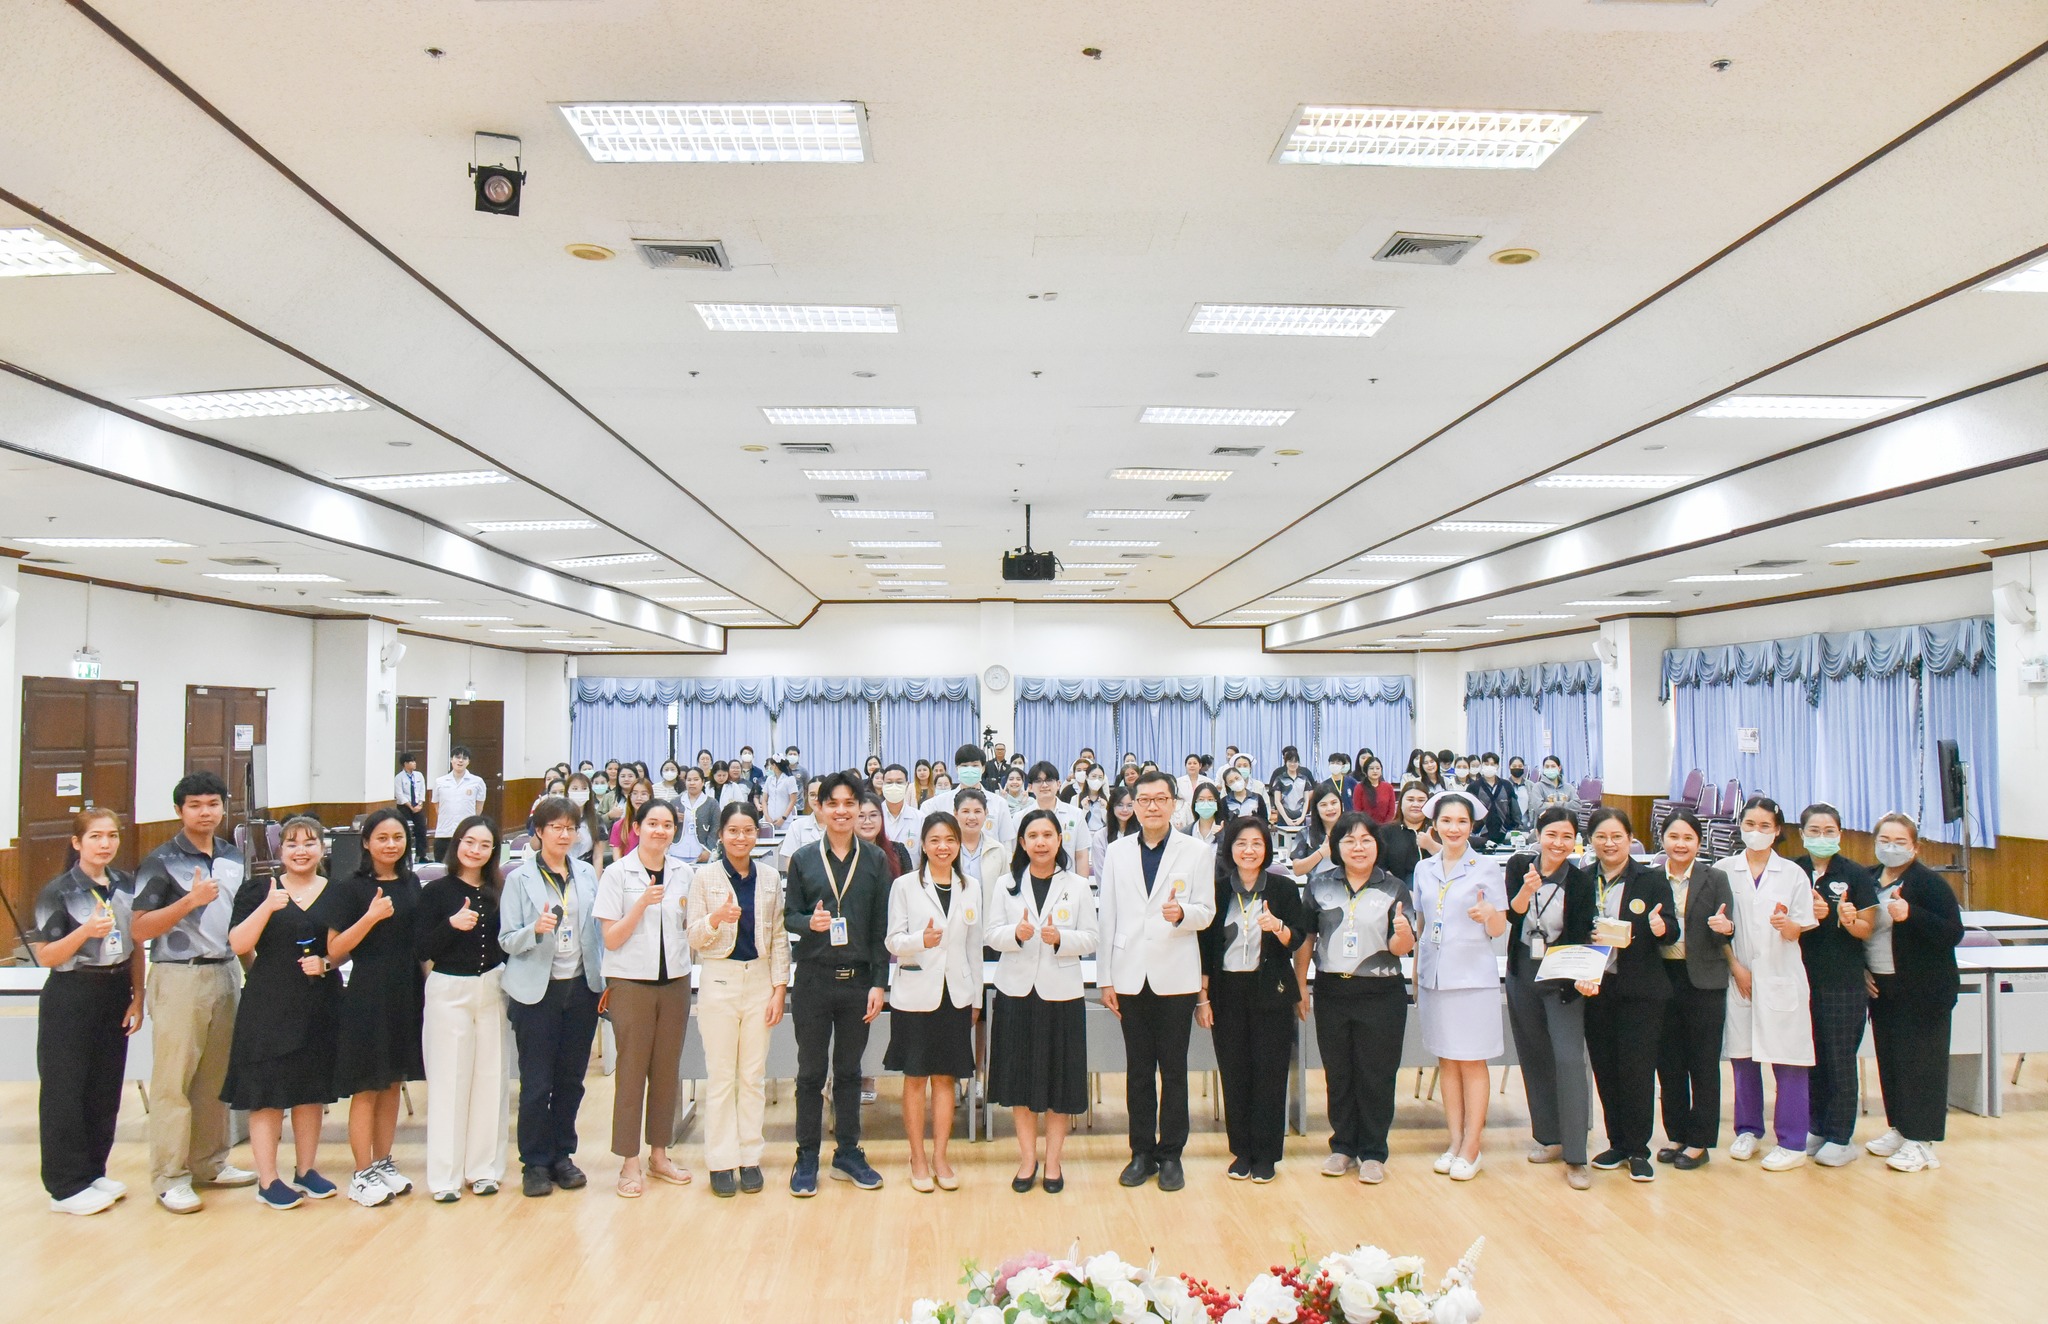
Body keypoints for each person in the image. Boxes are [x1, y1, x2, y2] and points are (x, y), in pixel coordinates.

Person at [128, 771, 257, 1212]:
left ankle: (209, 1162)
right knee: (174, 1081)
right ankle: (169, 1176)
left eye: (213, 804)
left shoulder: (233, 856)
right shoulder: (161, 860)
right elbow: (139, 928)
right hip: (179, 976)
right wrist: (189, 901)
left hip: (226, 971)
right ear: (179, 811)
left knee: (216, 1079)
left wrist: (253, 972)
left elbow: (239, 921)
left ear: (223, 807)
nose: (206, 812)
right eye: (196, 805)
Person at [1097, 769, 1216, 1192]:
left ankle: (1171, 1155)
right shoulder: (1117, 851)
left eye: (1160, 799)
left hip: (1175, 975)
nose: (1151, 807)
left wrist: (1183, 914)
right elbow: (1108, 915)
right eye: (1143, 800)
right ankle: (1141, 1152)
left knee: (1175, 1070)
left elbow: (1207, 912)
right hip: (1130, 975)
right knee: (1138, 1071)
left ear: (1173, 804)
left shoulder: (1196, 851)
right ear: (1133, 805)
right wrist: (1105, 978)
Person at [220, 817, 342, 1211]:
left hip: (319, 999)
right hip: (269, 1001)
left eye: (309, 843)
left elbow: (343, 946)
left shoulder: (336, 892)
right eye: (292, 844)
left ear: (322, 848)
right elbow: (238, 943)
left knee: (311, 1089)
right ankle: (268, 1179)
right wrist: (267, 907)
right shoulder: (259, 889)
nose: (301, 851)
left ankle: (306, 1170)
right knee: (267, 1092)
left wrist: (326, 963)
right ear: (280, 849)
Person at [782, 771, 891, 1196]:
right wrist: (808, 923)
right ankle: (807, 1155)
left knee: (849, 1072)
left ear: (860, 809)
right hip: (813, 979)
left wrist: (879, 983)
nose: (842, 811)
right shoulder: (804, 858)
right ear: (820, 808)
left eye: (850, 804)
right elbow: (789, 916)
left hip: (858, 982)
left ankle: (847, 1153)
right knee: (810, 1073)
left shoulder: (875, 860)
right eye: (834, 804)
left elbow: (881, 927)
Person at [31, 808, 144, 1215]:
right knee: (66, 1089)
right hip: (72, 992)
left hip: (115, 990)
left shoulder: (126, 885)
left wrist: (138, 995)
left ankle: (94, 1171)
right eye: (96, 836)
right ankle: (64, 1186)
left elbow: (135, 944)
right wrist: (85, 931)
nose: (105, 844)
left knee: (104, 1088)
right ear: (77, 842)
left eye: (112, 835)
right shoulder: (58, 891)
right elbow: (46, 956)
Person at [499, 796, 606, 1198]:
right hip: (536, 992)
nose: (564, 835)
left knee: (571, 1080)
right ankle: (534, 1162)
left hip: (580, 987)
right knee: (536, 1082)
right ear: (539, 832)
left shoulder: (586, 873)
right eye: (556, 828)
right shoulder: (518, 878)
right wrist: (535, 930)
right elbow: (507, 940)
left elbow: (597, 931)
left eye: (570, 828)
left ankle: (563, 1154)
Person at [987, 807, 1098, 1193]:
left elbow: (1092, 938)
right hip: (1016, 992)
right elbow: (991, 934)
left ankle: (1053, 1163)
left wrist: (1062, 939)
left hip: (1061, 994)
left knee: (1059, 1083)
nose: (1040, 842)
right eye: (1032, 836)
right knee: (1019, 1082)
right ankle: (1027, 1160)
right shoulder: (1005, 884)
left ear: (1059, 840)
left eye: (1047, 835)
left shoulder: (1077, 885)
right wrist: (1014, 935)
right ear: (1021, 842)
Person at [320, 808, 425, 1207]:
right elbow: (335, 950)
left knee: (393, 1081)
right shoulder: (350, 888)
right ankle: (361, 1172)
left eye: (398, 837)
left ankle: (383, 1162)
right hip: (368, 992)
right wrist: (370, 917)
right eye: (382, 838)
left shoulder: (412, 882)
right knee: (367, 1085)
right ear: (366, 842)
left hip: (407, 990)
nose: (391, 845)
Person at [1301, 813, 1412, 1184]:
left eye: (1366, 840)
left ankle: (1374, 1152)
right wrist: (1300, 985)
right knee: (1339, 1072)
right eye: (1349, 840)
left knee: (1376, 1074)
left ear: (1377, 845)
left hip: (1381, 993)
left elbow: (1401, 947)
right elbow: (1307, 939)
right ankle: (1343, 1146)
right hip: (1332, 989)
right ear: (1337, 847)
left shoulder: (1394, 887)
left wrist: (1403, 934)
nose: (1358, 847)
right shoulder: (1319, 885)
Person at [1198, 817, 1307, 1182]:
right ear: (1230, 849)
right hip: (1226, 992)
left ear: (1266, 849)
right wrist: (1203, 999)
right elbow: (1205, 948)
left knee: (1270, 1074)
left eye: (1257, 843)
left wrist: (1278, 927)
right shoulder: (1216, 891)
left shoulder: (1282, 887)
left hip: (1271, 992)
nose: (1249, 850)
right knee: (1235, 1073)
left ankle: (1266, 1155)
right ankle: (1242, 1151)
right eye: (1241, 843)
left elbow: (1298, 938)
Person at [689, 803, 790, 1196]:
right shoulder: (705, 877)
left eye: (748, 830)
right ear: (721, 834)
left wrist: (779, 988)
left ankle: (749, 1157)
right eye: (733, 830)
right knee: (720, 1077)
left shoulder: (769, 877)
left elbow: (778, 936)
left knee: (752, 1076)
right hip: (719, 979)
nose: (741, 837)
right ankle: (720, 1160)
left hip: (760, 980)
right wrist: (716, 919)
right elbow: (694, 936)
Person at [595, 798, 694, 1198]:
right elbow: (610, 938)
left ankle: (659, 1155)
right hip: (630, 982)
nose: (660, 831)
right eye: (652, 823)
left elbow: (690, 927)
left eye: (667, 824)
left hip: (675, 981)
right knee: (632, 1071)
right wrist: (640, 905)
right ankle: (629, 1161)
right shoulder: (617, 873)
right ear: (637, 827)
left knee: (667, 1071)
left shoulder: (685, 873)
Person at [883, 814, 982, 1192]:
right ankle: (918, 1157)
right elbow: (893, 940)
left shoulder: (971, 886)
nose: (943, 847)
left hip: (955, 994)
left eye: (950, 840)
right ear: (923, 845)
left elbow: (973, 946)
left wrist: (975, 996)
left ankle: (941, 1156)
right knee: (915, 1078)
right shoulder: (905, 886)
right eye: (936, 840)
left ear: (958, 845)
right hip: (915, 994)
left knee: (945, 1077)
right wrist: (919, 941)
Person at [1410, 791, 1506, 1182]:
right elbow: (1421, 923)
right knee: (1447, 1060)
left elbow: (1499, 928)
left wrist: (1489, 914)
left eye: (1462, 822)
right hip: (1434, 975)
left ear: (1472, 826)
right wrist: (1416, 972)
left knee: (1472, 1060)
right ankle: (1454, 1141)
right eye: (1447, 821)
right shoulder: (1424, 868)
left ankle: (1472, 1146)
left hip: (1472, 978)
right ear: (1434, 824)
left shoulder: (1486, 867)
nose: (1454, 828)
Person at [414, 814, 509, 1203]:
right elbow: (422, 948)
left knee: (491, 1079)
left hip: (492, 988)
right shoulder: (436, 892)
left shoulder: (498, 890)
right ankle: (445, 1177)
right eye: (470, 842)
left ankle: (484, 1170)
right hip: (449, 989)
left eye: (485, 845)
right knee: (449, 1081)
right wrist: (452, 925)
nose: (476, 850)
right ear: (457, 844)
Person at [1719, 795, 1817, 1171]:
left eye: (1764, 826)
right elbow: (1719, 929)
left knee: (1788, 1060)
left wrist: (1787, 926)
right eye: (1750, 824)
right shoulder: (1724, 870)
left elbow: (1799, 928)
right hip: (1740, 975)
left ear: (1777, 831)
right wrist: (1736, 968)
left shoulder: (1792, 874)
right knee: (1743, 1058)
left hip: (1781, 977)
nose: (1756, 832)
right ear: (1740, 827)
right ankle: (1748, 1130)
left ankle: (1792, 1142)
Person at [1862, 813, 1962, 1173]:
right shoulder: (1867, 879)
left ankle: (1922, 1141)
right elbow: (1861, 930)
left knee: (1922, 1064)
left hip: (1924, 990)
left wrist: (1911, 914)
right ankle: (1901, 1128)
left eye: (1900, 841)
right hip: (1882, 986)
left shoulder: (1928, 883)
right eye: (1884, 840)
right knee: (1891, 1061)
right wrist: (1862, 970)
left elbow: (1953, 932)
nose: (1891, 847)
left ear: (1914, 847)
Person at [1502, 806, 1596, 1190]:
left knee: (1570, 1060)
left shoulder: (1581, 880)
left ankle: (1576, 1155)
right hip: (1523, 969)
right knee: (1534, 1055)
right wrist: (1527, 889)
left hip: (1563, 974)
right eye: (1552, 835)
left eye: (1567, 836)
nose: (1558, 843)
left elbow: (1582, 933)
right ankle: (1549, 1137)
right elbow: (1513, 916)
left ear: (1575, 841)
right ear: (1538, 835)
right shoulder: (1518, 866)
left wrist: (1582, 976)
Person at [1580, 807, 1675, 1183]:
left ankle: (1638, 1149)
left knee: (1637, 1070)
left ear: (1630, 839)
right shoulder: (1582, 879)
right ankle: (1616, 1142)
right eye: (1601, 837)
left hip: (1640, 989)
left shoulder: (1651, 879)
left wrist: (1659, 926)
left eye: (1617, 836)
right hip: (1597, 987)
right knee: (1605, 1067)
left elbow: (1671, 929)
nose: (1609, 843)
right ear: (1591, 840)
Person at [1793, 803, 1878, 1167]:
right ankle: (1817, 1126)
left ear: (1840, 834)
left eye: (1829, 831)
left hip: (1842, 982)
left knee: (1839, 1059)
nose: (1822, 837)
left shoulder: (1854, 874)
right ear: (1802, 834)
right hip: (1800, 980)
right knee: (1811, 1059)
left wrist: (1848, 918)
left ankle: (1841, 1137)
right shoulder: (1793, 871)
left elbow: (1867, 929)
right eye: (1814, 831)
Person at [1652, 809, 1734, 1171]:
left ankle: (1700, 1140)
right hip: (1662, 977)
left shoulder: (1715, 878)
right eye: (1674, 837)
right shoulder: (1652, 878)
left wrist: (1725, 927)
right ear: (1663, 840)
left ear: (1699, 843)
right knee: (1668, 1061)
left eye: (1688, 838)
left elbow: (1729, 926)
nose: (1680, 844)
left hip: (1704, 980)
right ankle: (1676, 1133)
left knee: (1703, 1062)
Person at [935, 743, 1015, 846]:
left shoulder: (999, 803)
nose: (969, 770)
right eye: (964, 766)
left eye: (975, 766)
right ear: (957, 769)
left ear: (983, 768)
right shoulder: (939, 803)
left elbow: (1007, 843)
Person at [1025, 760, 1091, 877]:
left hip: (1068, 883)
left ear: (1059, 784)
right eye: (1038, 781)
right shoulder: (1021, 817)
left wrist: (1083, 885)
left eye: (1049, 780)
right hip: (1031, 882)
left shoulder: (1076, 815)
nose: (1044, 785)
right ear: (1030, 787)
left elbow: (1081, 856)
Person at [431, 747, 487, 863]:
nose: (460, 760)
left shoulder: (477, 782)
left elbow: (478, 808)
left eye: (464, 758)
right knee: (442, 866)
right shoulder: (440, 782)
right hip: (444, 832)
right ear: (451, 759)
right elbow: (437, 806)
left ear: (468, 762)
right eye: (457, 757)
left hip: (467, 834)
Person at [1374, 783, 1437, 884]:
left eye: (1421, 800)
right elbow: (1379, 866)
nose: (1416, 804)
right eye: (1410, 800)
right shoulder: (1385, 831)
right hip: (1395, 888)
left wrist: (1432, 846)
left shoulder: (1438, 830)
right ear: (1400, 804)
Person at [1289, 781, 1349, 878]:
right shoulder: (1305, 833)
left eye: (1334, 803)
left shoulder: (1351, 831)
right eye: (1323, 805)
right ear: (1316, 809)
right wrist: (1321, 853)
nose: (1330, 808)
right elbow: (1297, 870)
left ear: (1341, 804)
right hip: (1315, 886)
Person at [1467, 754, 1520, 849]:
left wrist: (1515, 828)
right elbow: (1468, 811)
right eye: (1486, 764)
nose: (1489, 767)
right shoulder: (1473, 787)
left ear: (1497, 766)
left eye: (1492, 764)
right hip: (1480, 836)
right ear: (1482, 765)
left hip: (1504, 835)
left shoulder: (1506, 785)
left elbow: (1515, 810)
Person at [856, 792, 912, 879]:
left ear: (882, 817)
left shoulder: (898, 851)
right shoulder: (844, 854)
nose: (867, 821)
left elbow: (909, 884)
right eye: (861, 816)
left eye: (873, 815)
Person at [879, 764, 925, 864]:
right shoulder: (875, 816)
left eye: (899, 782)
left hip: (912, 873)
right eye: (889, 782)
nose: (894, 786)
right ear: (882, 785)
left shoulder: (920, 818)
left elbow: (924, 855)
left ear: (907, 785)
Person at [777, 776, 825, 870]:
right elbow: (790, 863)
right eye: (812, 795)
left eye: (821, 794)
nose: (816, 799)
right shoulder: (796, 827)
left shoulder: (838, 825)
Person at [565, 771, 607, 868]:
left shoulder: (596, 820)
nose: (579, 792)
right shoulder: (558, 818)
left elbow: (598, 857)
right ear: (567, 792)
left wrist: (595, 877)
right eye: (575, 789)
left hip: (586, 868)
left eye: (584, 789)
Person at [394, 753, 430, 864]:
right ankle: (406, 856)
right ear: (405, 764)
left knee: (421, 829)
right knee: (406, 830)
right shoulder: (399, 777)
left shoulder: (419, 775)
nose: (414, 763)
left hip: (417, 806)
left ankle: (422, 855)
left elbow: (422, 790)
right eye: (412, 761)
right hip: (404, 807)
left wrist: (420, 804)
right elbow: (399, 794)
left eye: (414, 761)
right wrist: (410, 806)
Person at [1268, 746, 1311, 837]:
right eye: (1290, 761)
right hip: (1283, 819)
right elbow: (1277, 801)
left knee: (1300, 842)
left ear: (1298, 763)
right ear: (1286, 762)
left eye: (1295, 761)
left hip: (1300, 818)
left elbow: (1306, 800)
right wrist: (1286, 819)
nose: (1292, 764)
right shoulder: (1279, 779)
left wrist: (1302, 817)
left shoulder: (1304, 779)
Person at [1092, 784, 1138, 866]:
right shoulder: (1100, 836)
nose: (1125, 809)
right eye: (1120, 805)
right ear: (1112, 806)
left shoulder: (1142, 833)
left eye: (1129, 805)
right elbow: (1100, 869)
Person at [609, 778, 655, 859]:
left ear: (650, 796)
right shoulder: (619, 825)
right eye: (635, 793)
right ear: (630, 797)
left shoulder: (657, 825)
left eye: (643, 794)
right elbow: (617, 856)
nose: (639, 798)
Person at [1353, 756, 1396, 824]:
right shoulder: (1359, 788)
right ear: (1366, 770)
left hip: (1385, 826)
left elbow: (1391, 811)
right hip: (1365, 826)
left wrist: (1385, 826)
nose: (1375, 771)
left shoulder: (1388, 787)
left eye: (1378, 768)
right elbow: (1357, 811)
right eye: (1371, 768)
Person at [763, 758, 800, 832]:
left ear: (774, 765)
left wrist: (783, 818)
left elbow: (793, 800)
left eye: (770, 765)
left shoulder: (790, 779)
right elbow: (764, 800)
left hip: (785, 822)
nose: (770, 767)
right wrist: (766, 816)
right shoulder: (769, 779)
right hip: (769, 821)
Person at [1186, 781, 1225, 847]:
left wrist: (1222, 836)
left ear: (1217, 803)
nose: (1206, 803)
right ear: (1195, 803)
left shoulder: (1226, 830)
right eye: (1201, 799)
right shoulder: (1186, 832)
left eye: (1210, 799)